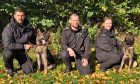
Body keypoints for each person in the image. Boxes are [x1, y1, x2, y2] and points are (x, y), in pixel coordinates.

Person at [2, 7, 36, 76]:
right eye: (18, 15)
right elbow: (7, 44)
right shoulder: (9, 28)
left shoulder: (29, 27)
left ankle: (24, 64)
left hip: (22, 52)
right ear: (14, 16)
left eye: (22, 15)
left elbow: (33, 40)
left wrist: (40, 43)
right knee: (7, 54)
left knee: (30, 71)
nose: (20, 17)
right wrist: (23, 46)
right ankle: (10, 68)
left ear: (25, 16)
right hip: (11, 50)